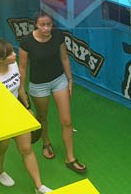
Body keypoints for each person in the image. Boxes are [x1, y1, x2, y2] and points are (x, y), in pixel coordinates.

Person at [19, 12, 87, 174]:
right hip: (38, 85)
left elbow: (64, 58)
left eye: (49, 24)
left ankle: (70, 158)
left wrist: (69, 79)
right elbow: (22, 67)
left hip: (59, 80)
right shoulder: (27, 42)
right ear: (36, 24)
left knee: (67, 121)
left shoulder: (58, 36)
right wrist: (22, 90)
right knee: (43, 117)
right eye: (42, 25)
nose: (46, 28)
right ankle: (46, 142)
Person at [0, 38, 52, 194]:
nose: (15, 54)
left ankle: (39, 187)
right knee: (1, 149)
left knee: (26, 149)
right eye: (10, 54)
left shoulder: (13, 65)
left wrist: (27, 108)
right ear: (0, 59)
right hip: (0, 118)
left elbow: (19, 87)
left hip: (17, 112)